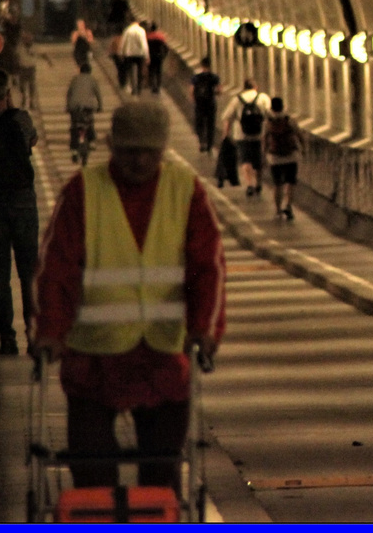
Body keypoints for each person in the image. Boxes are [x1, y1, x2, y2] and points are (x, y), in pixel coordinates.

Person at [32, 102, 227, 490]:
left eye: (148, 152)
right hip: (93, 358)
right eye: (128, 151)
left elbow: (208, 268)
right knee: (91, 472)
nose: (138, 160)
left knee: (161, 472)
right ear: (111, 146)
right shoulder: (83, 192)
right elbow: (57, 269)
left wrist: (204, 328)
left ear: (162, 150)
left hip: (163, 356)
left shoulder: (185, 191)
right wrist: (50, 331)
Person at [0, 67, 40, 356]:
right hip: (23, 202)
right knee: (28, 273)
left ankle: (8, 338)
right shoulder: (20, 119)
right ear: (7, 93)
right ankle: (34, 335)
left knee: (0, 272)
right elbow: (32, 141)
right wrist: (12, 109)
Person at [220, 80, 270, 197]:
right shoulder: (263, 98)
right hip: (259, 134)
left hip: (241, 135)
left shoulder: (237, 99)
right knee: (258, 160)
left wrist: (225, 135)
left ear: (244, 87)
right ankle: (258, 183)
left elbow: (227, 117)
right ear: (255, 87)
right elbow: (270, 114)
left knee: (245, 160)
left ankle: (249, 184)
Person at [263, 96, 301, 220]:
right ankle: (289, 206)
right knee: (290, 182)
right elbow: (299, 135)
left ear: (271, 108)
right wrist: (303, 149)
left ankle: (278, 210)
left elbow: (264, 139)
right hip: (291, 156)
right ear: (283, 106)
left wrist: (264, 154)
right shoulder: (290, 119)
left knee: (277, 184)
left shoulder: (268, 122)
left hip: (274, 157)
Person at [65, 61, 104, 164]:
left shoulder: (75, 79)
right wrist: (100, 106)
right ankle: (91, 141)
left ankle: (73, 150)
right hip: (88, 107)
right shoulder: (93, 80)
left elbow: (69, 94)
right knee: (90, 124)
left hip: (74, 108)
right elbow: (98, 94)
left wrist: (68, 107)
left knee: (74, 127)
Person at [189, 57, 221, 153]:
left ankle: (201, 142)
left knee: (200, 123)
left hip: (199, 104)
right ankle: (209, 145)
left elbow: (191, 90)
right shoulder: (214, 77)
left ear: (201, 65)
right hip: (210, 103)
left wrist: (194, 99)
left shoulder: (196, 77)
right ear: (210, 65)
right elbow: (219, 90)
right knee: (210, 124)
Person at [118, 16, 149, 96]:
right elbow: (144, 44)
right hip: (139, 54)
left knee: (130, 71)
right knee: (139, 71)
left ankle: (132, 88)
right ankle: (139, 88)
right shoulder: (141, 31)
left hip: (129, 54)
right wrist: (147, 55)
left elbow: (123, 42)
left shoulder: (127, 30)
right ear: (137, 22)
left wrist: (121, 53)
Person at [145, 20, 169, 94]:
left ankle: (153, 86)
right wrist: (164, 55)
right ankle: (158, 87)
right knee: (158, 72)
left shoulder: (147, 37)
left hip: (150, 56)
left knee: (151, 71)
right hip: (159, 56)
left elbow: (144, 47)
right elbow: (166, 48)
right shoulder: (160, 36)